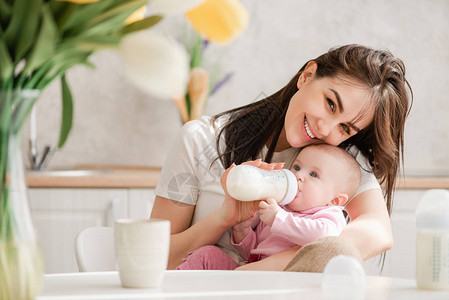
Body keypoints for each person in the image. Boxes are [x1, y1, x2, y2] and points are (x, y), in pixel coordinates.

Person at [151, 44, 412, 271]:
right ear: (307, 76)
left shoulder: (338, 161)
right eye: (330, 103)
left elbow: (377, 232)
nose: (325, 129)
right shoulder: (201, 140)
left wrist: (261, 272)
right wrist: (224, 219)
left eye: (345, 128)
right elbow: (153, 258)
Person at [175, 144, 361, 270]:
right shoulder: (280, 206)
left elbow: (323, 238)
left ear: (335, 200)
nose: (298, 176)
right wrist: (243, 231)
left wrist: (278, 218)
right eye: (296, 167)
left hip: (283, 281)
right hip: (251, 271)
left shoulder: (329, 215)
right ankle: (174, 291)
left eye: (313, 174)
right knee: (207, 254)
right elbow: (253, 251)